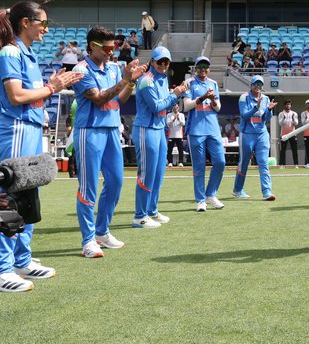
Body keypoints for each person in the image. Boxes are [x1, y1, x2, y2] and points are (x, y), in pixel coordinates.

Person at [0, 2, 82, 292]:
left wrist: (50, 87)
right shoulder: (10, 51)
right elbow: (15, 96)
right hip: (16, 129)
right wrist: (53, 87)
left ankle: (21, 260)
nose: (46, 29)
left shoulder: (29, 54)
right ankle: (2, 267)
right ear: (25, 22)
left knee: (28, 196)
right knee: (9, 196)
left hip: (30, 128)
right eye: (42, 23)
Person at [73, 27, 147, 258]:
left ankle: (102, 231)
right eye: (105, 48)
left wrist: (131, 83)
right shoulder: (81, 70)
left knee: (115, 182)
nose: (110, 52)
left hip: (112, 130)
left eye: (113, 47)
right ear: (91, 46)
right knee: (88, 187)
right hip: (89, 131)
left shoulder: (114, 68)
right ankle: (88, 240)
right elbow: (99, 99)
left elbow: (120, 99)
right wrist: (124, 80)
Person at [132, 47, 189, 228]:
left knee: (158, 174)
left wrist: (175, 94)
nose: (163, 65)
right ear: (152, 62)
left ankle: (152, 210)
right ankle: (140, 215)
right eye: (159, 61)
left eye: (166, 62)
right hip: (145, 129)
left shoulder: (162, 79)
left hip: (158, 129)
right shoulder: (146, 81)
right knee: (146, 173)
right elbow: (156, 107)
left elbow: (164, 105)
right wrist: (176, 94)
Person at [184, 56, 225, 212]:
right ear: (195, 68)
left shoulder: (213, 84)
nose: (203, 70)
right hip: (196, 130)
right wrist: (202, 98)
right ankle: (200, 200)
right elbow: (187, 106)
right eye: (200, 66)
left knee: (220, 162)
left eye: (206, 67)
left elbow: (218, 108)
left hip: (213, 129)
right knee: (199, 166)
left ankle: (211, 194)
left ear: (209, 69)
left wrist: (213, 100)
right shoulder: (189, 84)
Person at [233, 74, 277, 201]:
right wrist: (256, 107)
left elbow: (266, 119)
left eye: (260, 84)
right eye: (255, 84)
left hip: (262, 134)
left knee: (263, 163)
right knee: (244, 163)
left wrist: (269, 110)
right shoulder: (244, 98)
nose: (258, 86)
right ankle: (237, 189)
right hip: (247, 134)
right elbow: (244, 115)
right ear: (251, 85)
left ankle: (267, 192)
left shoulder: (266, 99)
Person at [278, 99, 299, 167]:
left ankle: (296, 164)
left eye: (289, 104)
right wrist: (283, 118)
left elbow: (296, 123)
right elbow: (280, 123)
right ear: (284, 105)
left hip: (292, 134)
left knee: (294, 150)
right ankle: (282, 164)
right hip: (284, 134)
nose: (288, 106)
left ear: (291, 105)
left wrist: (293, 119)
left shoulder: (294, 113)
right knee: (283, 150)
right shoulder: (281, 114)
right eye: (287, 104)